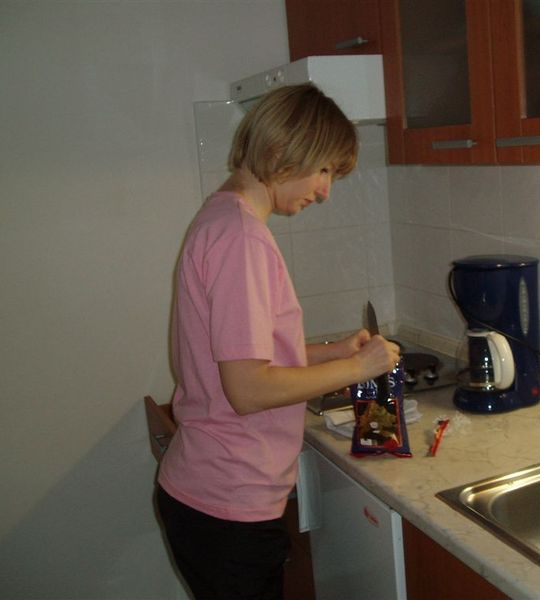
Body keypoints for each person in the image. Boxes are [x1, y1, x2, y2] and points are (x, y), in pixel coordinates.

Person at [155, 83, 400, 599]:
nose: (325, 190)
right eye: (324, 170)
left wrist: (335, 353)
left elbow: (240, 357)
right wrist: (360, 369)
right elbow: (248, 389)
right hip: (228, 503)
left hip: (211, 494)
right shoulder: (242, 239)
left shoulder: (223, 217)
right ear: (284, 151)